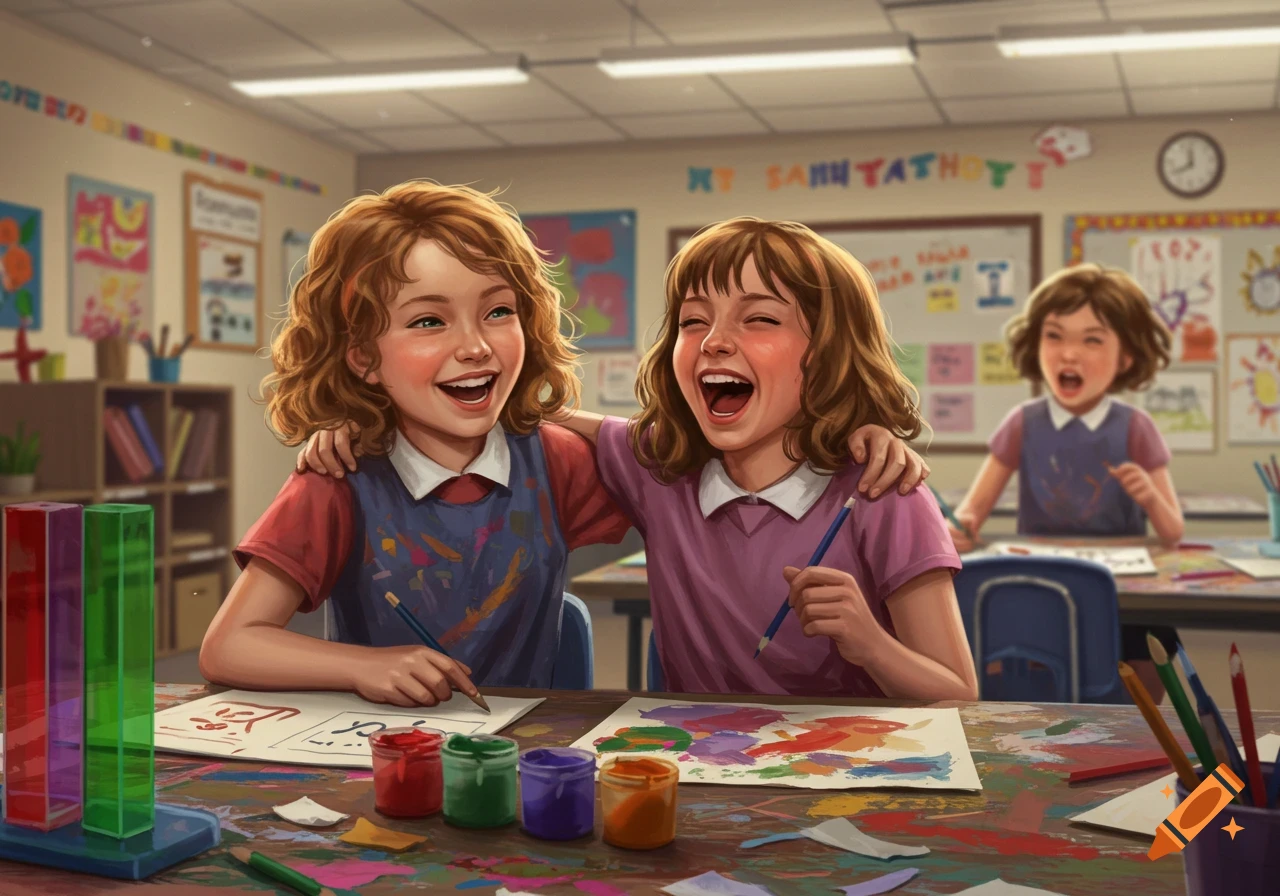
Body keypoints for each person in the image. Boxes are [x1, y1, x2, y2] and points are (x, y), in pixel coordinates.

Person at [208, 184, 925, 707]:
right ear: (363, 355)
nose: (475, 346)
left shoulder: (556, 462)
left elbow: (727, 451)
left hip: (527, 759)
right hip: (385, 755)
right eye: (428, 322)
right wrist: (359, 666)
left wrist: (857, 428)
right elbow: (228, 645)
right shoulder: (339, 480)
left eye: (498, 311)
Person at [947, 263, 1181, 701]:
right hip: (1040, 587)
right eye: (1054, 336)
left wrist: (1148, 496)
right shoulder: (1023, 422)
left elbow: (1173, 532)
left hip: (1119, 594)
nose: (1068, 354)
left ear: (1126, 356)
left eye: (1092, 339)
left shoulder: (1135, 427)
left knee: (1149, 661)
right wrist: (961, 525)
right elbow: (971, 512)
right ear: (1035, 344)